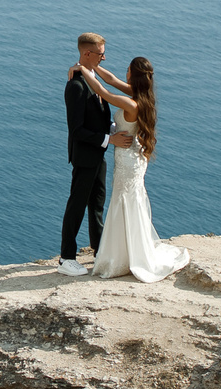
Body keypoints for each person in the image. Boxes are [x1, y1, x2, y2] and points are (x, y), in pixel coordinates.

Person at [79, 56, 188, 283]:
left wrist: (82, 69)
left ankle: (120, 257)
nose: (124, 73)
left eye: (127, 70)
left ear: (132, 74)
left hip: (128, 160)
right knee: (130, 201)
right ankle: (129, 251)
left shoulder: (131, 103)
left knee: (123, 202)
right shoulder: (142, 97)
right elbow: (110, 79)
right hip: (135, 157)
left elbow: (104, 91)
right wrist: (92, 65)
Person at [59, 32, 115, 276]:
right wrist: (108, 139)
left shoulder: (91, 77)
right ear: (87, 53)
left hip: (98, 154)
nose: (105, 57)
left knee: (97, 205)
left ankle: (99, 250)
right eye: (101, 53)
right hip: (84, 155)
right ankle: (66, 258)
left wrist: (111, 130)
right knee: (77, 205)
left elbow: (101, 114)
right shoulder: (76, 86)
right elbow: (77, 130)